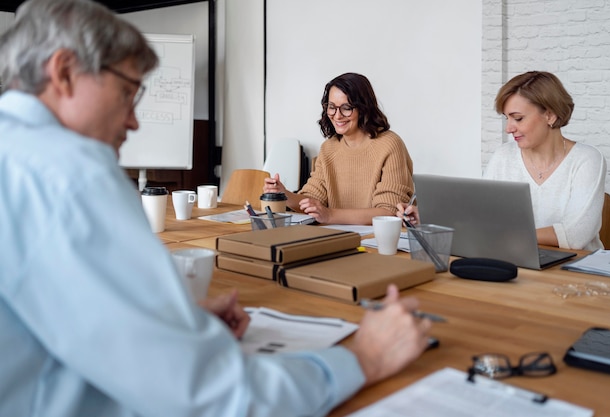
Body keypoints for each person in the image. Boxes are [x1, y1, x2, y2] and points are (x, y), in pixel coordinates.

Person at [0, 1, 432, 416]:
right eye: (128, 92)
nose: (134, 121)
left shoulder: (21, 156)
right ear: (64, 73)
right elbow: (207, 394)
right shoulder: (70, 174)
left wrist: (161, 319)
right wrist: (363, 359)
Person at [263, 72, 414, 225]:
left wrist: (329, 215)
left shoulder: (390, 144)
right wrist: (284, 194)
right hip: (335, 237)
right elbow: (313, 200)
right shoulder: (329, 148)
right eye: (332, 107)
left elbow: (389, 212)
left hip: (377, 242)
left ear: (364, 108)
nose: (337, 116)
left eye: (346, 108)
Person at [483, 71, 606, 250]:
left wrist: (507, 235)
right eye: (506, 118)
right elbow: (482, 220)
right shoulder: (503, 157)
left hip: (576, 269)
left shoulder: (586, 160)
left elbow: (575, 236)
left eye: (518, 118)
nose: (508, 129)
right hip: (519, 261)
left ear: (550, 115)